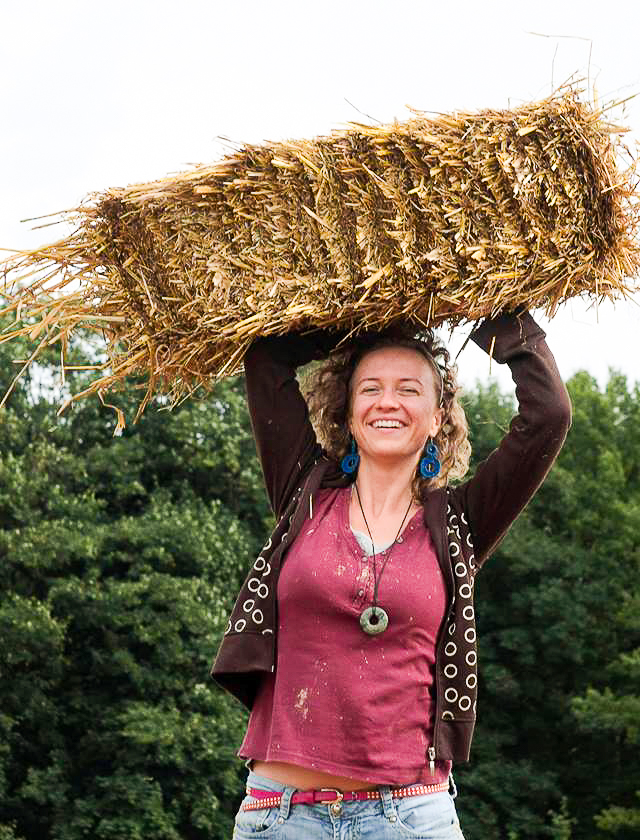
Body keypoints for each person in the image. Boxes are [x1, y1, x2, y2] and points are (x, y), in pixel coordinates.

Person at [212, 309, 572, 839]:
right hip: (282, 818)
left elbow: (548, 415)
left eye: (409, 389)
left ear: (436, 416)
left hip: (407, 819)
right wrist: (369, 313)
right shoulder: (304, 490)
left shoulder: (461, 524)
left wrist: (487, 308)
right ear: (348, 412)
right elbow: (267, 361)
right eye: (370, 388)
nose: (388, 402)